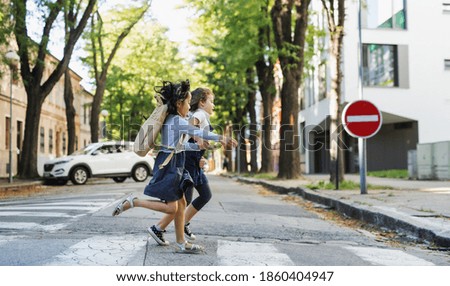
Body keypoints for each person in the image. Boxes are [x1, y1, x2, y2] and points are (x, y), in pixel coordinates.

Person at [112, 80, 236, 253]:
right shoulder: (176, 120)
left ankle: (181, 242)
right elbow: (199, 132)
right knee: (172, 207)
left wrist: (196, 146)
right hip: (169, 164)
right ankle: (134, 202)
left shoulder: (174, 119)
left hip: (174, 161)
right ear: (179, 104)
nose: (189, 107)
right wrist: (221, 138)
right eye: (187, 102)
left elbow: (181, 145)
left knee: (182, 202)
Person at [149, 87, 219, 244]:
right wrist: (198, 139)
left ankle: (179, 224)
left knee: (200, 196)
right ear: (201, 102)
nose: (213, 105)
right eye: (211, 101)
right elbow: (189, 130)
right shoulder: (199, 114)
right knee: (182, 202)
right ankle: (162, 228)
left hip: (193, 161)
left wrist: (199, 149)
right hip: (187, 161)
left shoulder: (201, 116)